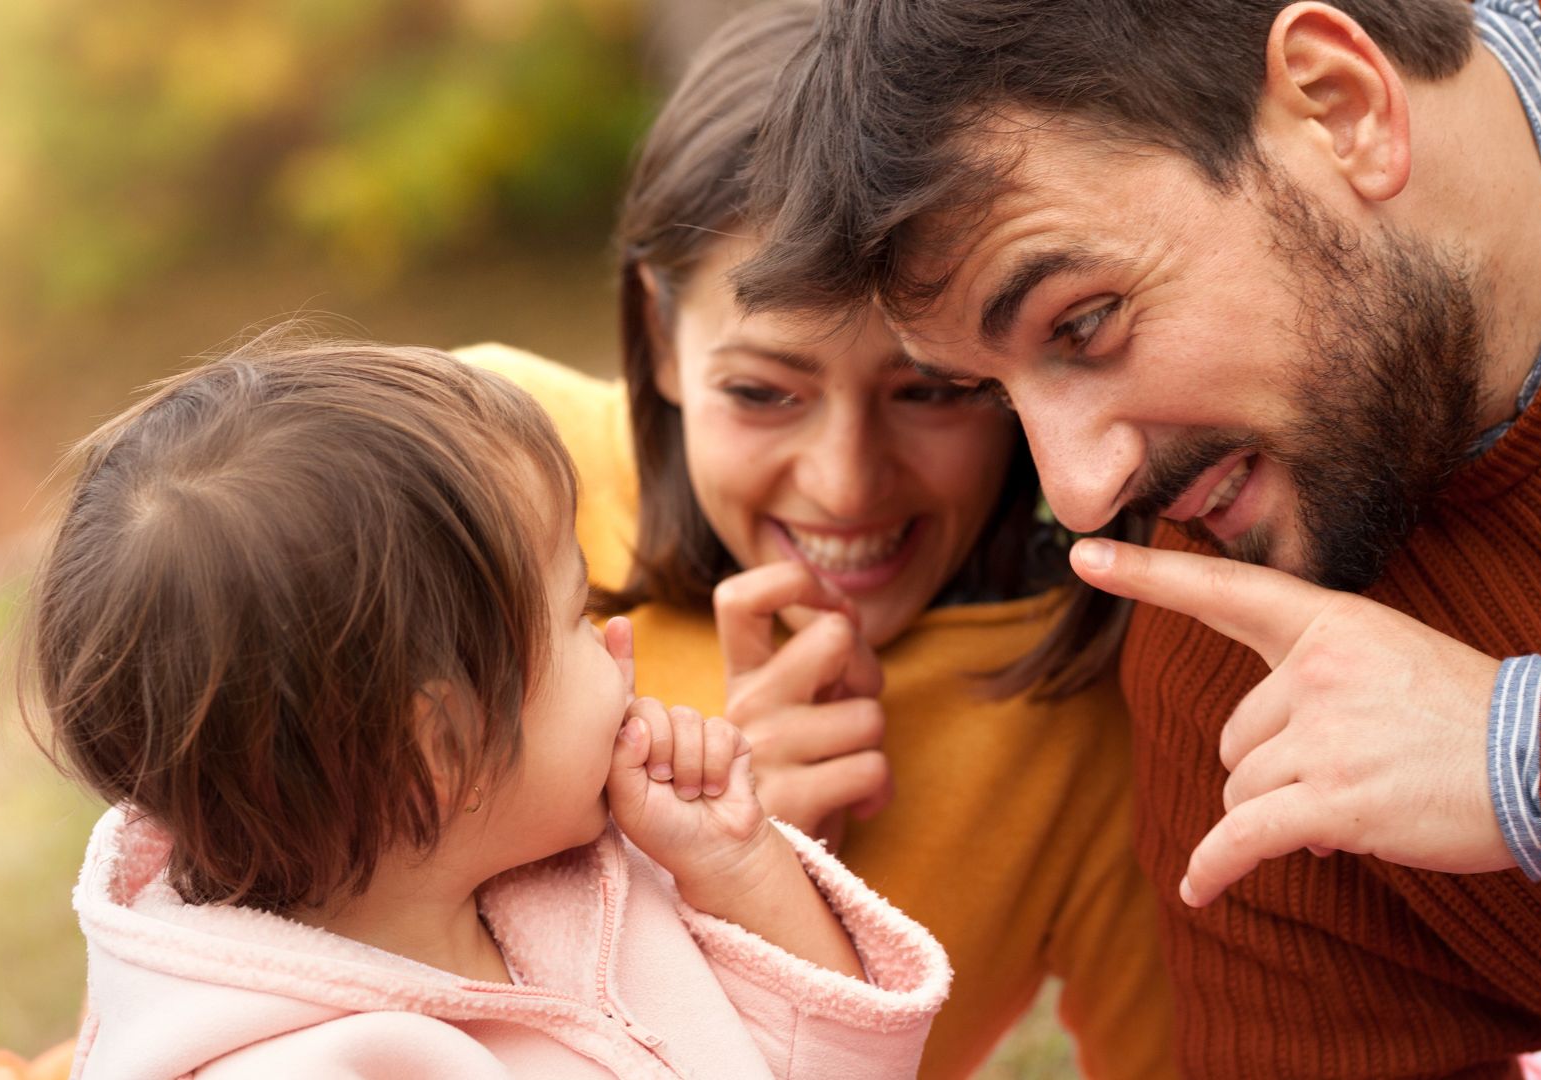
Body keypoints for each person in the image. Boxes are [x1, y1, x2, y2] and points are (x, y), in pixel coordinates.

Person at [734, 0, 1541, 1074]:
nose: (1081, 492)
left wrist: (1529, 754)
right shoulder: (1242, 663)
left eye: (1085, 323)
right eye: (993, 395)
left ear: (1340, 105)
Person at [464, 3, 1176, 1076]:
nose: (844, 483)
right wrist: (703, 878)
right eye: (762, 391)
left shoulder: (1092, 719)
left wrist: (777, 903)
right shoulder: (476, 472)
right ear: (659, 338)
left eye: (930, 393)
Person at [18, 338, 949, 1078]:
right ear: (442, 750)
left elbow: (848, 1062)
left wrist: (742, 870)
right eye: (578, 616)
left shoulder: (588, 876)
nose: (620, 637)